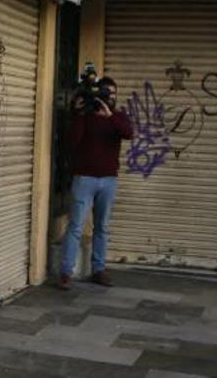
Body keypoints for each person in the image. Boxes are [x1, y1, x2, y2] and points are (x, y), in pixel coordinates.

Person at [58, 76, 134, 290]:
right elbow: (72, 141)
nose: (108, 97)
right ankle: (66, 272)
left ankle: (98, 270)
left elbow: (129, 133)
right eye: (105, 93)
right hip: (84, 178)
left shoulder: (118, 117)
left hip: (108, 179)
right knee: (75, 226)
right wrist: (80, 114)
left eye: (112, 93)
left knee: (102, 226)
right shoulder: (86, 116)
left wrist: (109, 117)